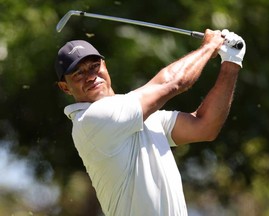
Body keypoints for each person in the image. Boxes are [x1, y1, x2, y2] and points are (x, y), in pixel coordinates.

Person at [55, 29, 246, 216]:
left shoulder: (140, 116)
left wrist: (231, 63)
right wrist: (210, 46)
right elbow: (172, 83)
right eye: (78, 74)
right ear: (65, 87)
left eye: (94, 65)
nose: (90, 76)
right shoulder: (91, 120)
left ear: (104, 65)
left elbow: (204, 127)